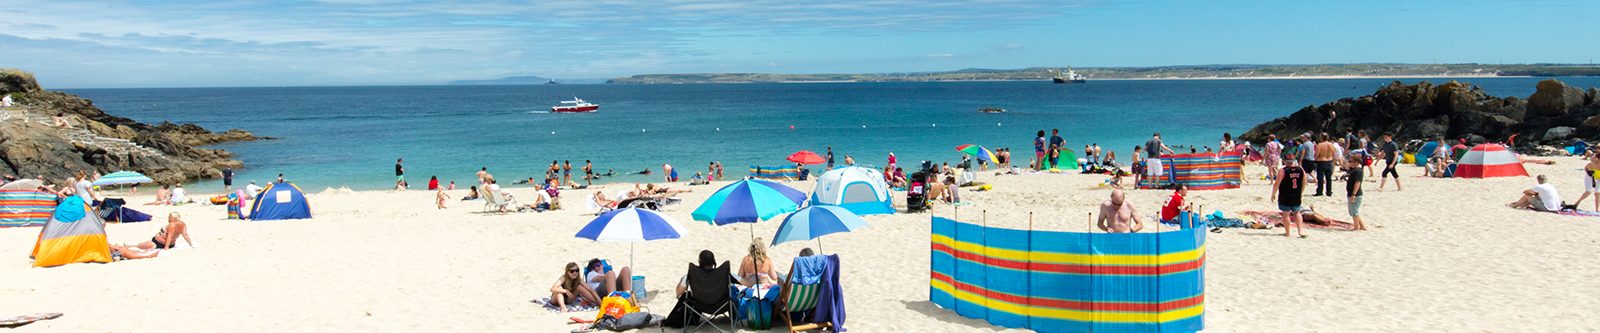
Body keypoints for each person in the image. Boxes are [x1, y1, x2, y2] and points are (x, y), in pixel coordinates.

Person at [1270, 158, 1308, 238]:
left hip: (1285, 194)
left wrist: (1273, 194)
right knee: (1297, 212)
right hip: (1296, 194)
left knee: (1286, 214)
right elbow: (1304, 181)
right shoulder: (1300, 169)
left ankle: (1287, 232)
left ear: (1284, 161)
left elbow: (1276, 184)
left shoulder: (1283, 171)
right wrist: (1301, 191)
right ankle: (1300, 231)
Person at [1345, 154, 1367, 231]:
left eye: (1351, 161)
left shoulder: (1358, 171)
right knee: (1354, 211)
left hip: (1356, 194)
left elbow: (1357, 183)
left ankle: (1356, 227)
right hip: (1352, 193)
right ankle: (1362, 226)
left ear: (1356, 162)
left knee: (1354, 211)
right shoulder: (1354, 170)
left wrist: (1353, 194)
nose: (1349, 163)